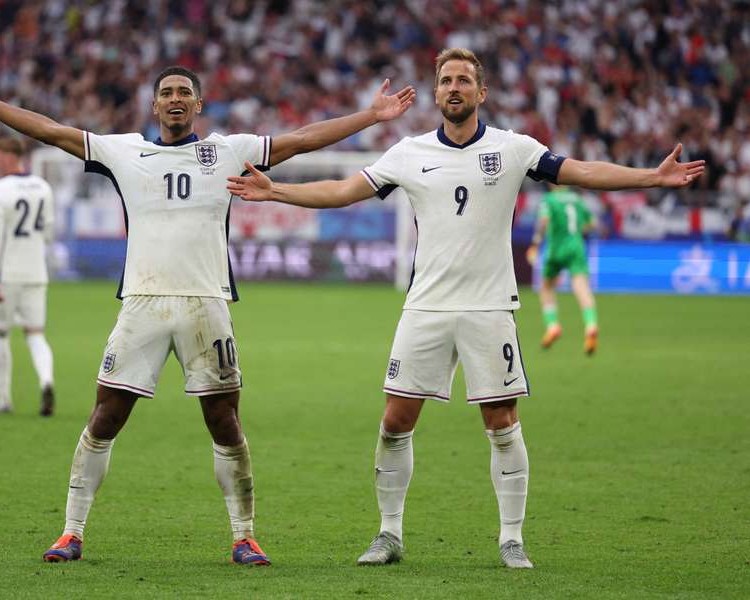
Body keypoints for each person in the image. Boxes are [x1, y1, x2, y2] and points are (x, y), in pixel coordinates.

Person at [227, 47, 704, 569]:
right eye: (445, 80)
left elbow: (578, 171)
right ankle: (388, 534)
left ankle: (512, 538)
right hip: (426, 308)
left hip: (489, 308)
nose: (453, 88)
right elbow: (344, 189)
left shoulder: (514, 148)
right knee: (394, 419)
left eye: (463, 81)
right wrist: (278, 191)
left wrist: (649, 178)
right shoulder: (407, 152)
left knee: (501, 421)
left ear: (482, 93)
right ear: (436, 93)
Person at [0, 59, 415, 565]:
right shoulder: (126, 150)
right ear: (154, 105)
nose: (174, 98)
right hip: (142, 305)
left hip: (206, 304)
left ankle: (244, 536)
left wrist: (369, 116)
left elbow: (299, 140)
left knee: (224, 420)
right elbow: (52, 132)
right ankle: (71, 532)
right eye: (166, 91)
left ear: (197, 104)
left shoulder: (229, 151)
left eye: (183, 92)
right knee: (105, 416)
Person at [0, 136, 57, 416]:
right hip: (36, 272)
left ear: (7, 155)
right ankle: (47, 380)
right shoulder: (43, 187)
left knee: (0, 334)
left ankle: (4, 400)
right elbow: (49, 233)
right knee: (36, 334)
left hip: (7, 274)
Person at [526, 185, 599, 354]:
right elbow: (592, 224)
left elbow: (543, 222)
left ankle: (552, 325)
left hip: (555, 249)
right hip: (576, 247)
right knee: (582, 288)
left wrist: (535, 245)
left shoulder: (549, 200)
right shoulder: (577, 199)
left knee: (546, 287)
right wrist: (574, 231)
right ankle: (591, 325)